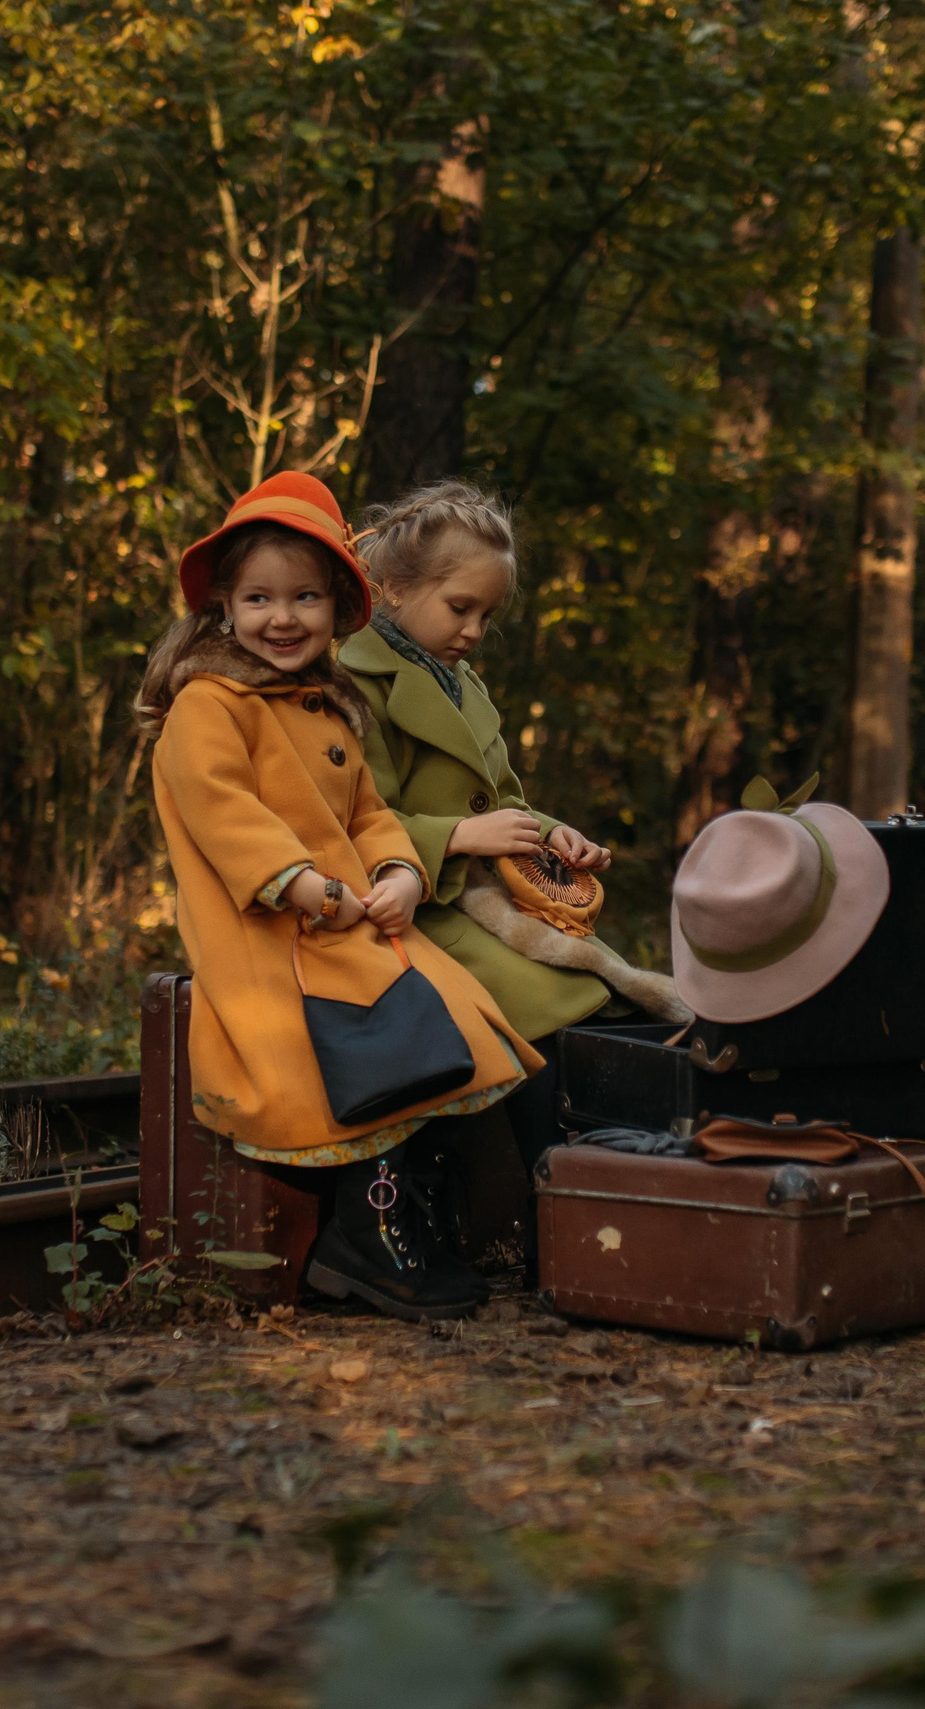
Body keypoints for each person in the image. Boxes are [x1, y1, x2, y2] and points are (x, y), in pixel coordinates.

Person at [138, 472, 539, 1321]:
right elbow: (224, 812)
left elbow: (367, 812)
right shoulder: (209, 705)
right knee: (377, 1060)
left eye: (305, 598)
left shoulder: (325, 707)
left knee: (457, 1023)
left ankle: (391, 1227)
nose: (282, 618)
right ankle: (369, 1241)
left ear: (336, 608)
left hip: (348, 928)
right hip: (273, 941)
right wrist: (306, 885)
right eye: (259, 598)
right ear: (224, 608)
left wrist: (398, 872)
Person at [340, 481, 684, 1182]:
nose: (472, 630)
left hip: (491, 900)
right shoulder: (356, 680)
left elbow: (506, 801)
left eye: (487, 615)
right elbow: (355, 819)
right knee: (548, 1006)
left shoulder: (464, 684)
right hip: (417, 904)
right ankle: (559, 1192)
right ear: (397, 587)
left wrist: (556, 836)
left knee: (615, 998)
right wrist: (461, 839)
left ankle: (626, 1184)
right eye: (460, 607)